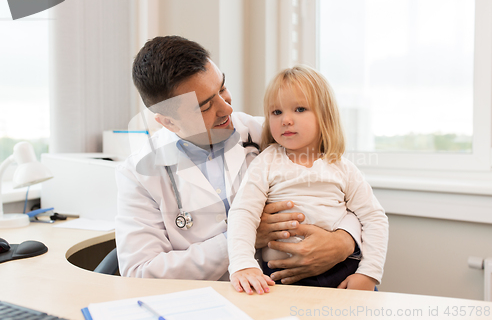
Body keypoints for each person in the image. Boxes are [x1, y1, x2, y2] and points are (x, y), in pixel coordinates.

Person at [115, 35, 363, 283]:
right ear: (168, 121)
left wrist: (343, 241)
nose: (226, 109)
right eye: (205, 106)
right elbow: (141, 272)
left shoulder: (270, 134)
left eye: (222, 88)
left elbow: (347, 192)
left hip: (286, 290)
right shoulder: (139, 174)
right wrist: (243, 236)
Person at [228, 65, 389, 294]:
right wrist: (243, 265)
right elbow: (243, 212)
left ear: (325, 115)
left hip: (342, 273)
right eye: (276, 112)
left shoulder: (341, 167)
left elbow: (374, 218)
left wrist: (368, 273)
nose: (286, 120)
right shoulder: (266, 162)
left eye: (300, 109)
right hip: (279, 279)